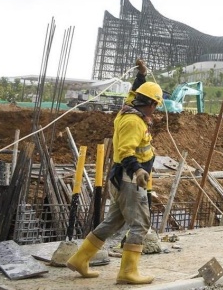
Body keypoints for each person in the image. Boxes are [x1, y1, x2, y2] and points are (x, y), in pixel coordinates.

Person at [67, 59, 162, 284]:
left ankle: (80, 259)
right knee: (140, 224)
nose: (156, 109)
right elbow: (125, 150)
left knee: (113, 222)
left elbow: (132, 93)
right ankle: (128, 272)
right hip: (130, 180)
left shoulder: (128, 109)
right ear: (151, 104)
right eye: (156, 104)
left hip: (120, 179)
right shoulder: (134, 122)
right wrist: (138, 170)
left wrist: (141, 75)